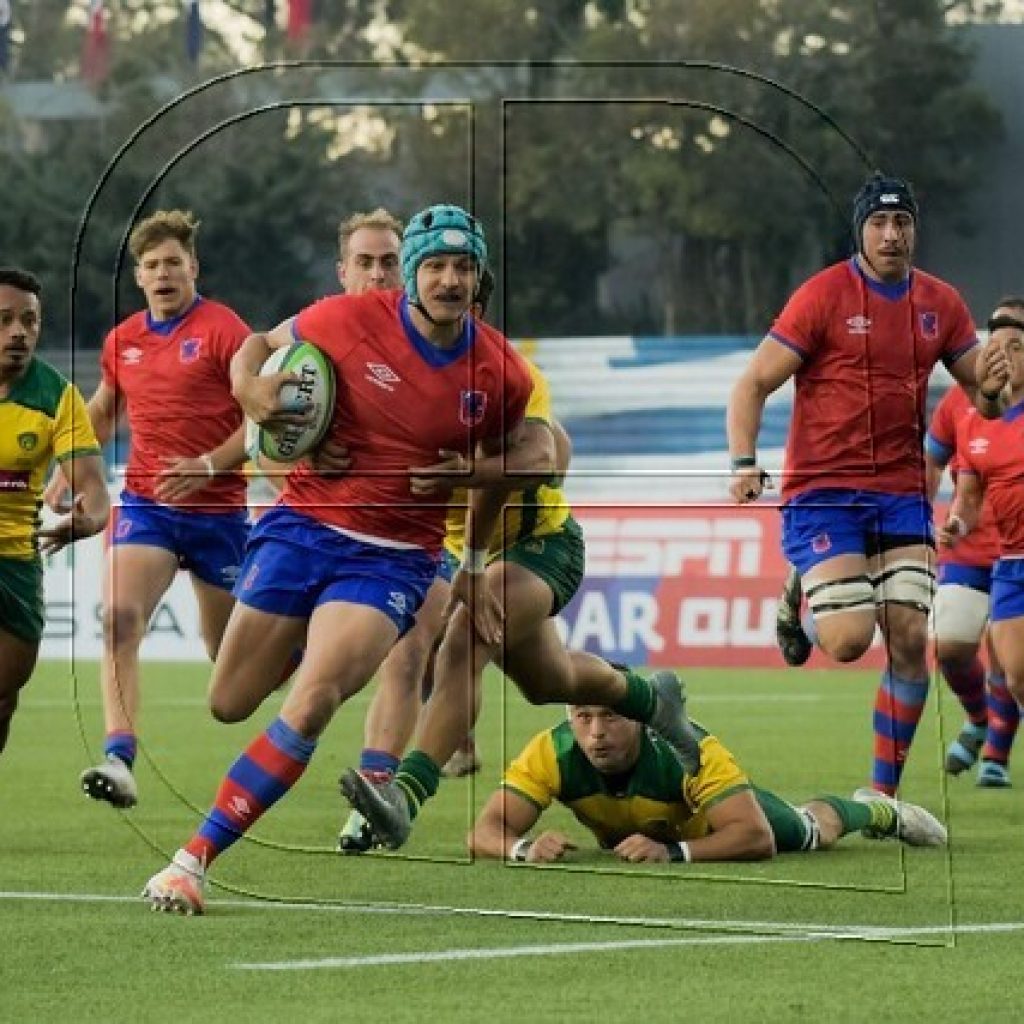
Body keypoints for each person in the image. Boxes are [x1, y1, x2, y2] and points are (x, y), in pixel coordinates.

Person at [338, 291, 697, 853]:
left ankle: (403, 796)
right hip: (456, 552)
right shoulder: (389, 379)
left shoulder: (511, 373)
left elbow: (548, 458)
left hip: (540, 545)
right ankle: (651, 701)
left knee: (461, 641)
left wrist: (476, 472)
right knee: (547, 682)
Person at [726, 171, 1009, 797]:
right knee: (849, 641)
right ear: (860, 230)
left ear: (914, 230)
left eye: (902, 222)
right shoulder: (822, 296)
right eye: (879, 223)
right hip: (825, 493)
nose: (891, 234)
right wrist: (743, 461)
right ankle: (803, 582)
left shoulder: (941, 303)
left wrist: (990, 388)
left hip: (903, 494)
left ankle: (883, 794)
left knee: (911, 638)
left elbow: (983, 407)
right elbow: (751, 384)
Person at [53, 211, 252, 808]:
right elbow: (104, 410)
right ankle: (119, 758)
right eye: (151, 265)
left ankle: (310, 650)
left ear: (193, 266)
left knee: (232, 670)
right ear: (138, 277)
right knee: (117, 618)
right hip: (148, 505)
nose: (163, 273)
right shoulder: (124, 341)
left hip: (219, 514)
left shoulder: (226, 331)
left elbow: (258, 422)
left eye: (172, 262)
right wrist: (68, 468)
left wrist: (210, 465)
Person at [468, 704, 947, 865]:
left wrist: (673, 853)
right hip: (647, 834)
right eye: (583, 717)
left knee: (807, 831)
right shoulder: (552, 750)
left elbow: (755, 838)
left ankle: (880, 810)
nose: (596, 732)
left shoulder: (685, 749)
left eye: (610, 715)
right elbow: (485, 829)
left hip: (716, 822)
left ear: (637, 719)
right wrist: (522, 848)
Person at [0, 268, 109, 755]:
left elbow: (95, 493)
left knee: (3, 698)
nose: (18, 332)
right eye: (3, 321)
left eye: (29, 321)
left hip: (17, 564)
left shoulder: (58, 397)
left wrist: (89, 518)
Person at [925, 297, 1024, 787]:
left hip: (1010, 553)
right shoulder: (961, 406)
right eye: (997, 338)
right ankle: (981, 720)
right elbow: (955, 480)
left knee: (1011, 660)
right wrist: (940, 523)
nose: (1004, 351)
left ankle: (996, 758)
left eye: (1015, 341)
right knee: (950, 646)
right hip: (978, 553)